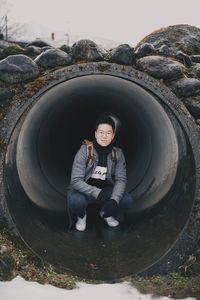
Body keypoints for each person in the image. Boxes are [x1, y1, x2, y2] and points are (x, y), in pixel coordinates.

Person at [67, 113, 133, 231]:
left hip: (106, 191)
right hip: (84, 192)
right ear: (95, 134)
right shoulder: (84, 151)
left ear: (113, 135)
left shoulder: (118, 153)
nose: (104, 136)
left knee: (126, 200)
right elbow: (76, 181)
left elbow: (121, 179)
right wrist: (97, 193)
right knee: (75, 201)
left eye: (108, 133)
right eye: (101, 132)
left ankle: (106, 213)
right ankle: (81, 216)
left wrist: (114, 200)